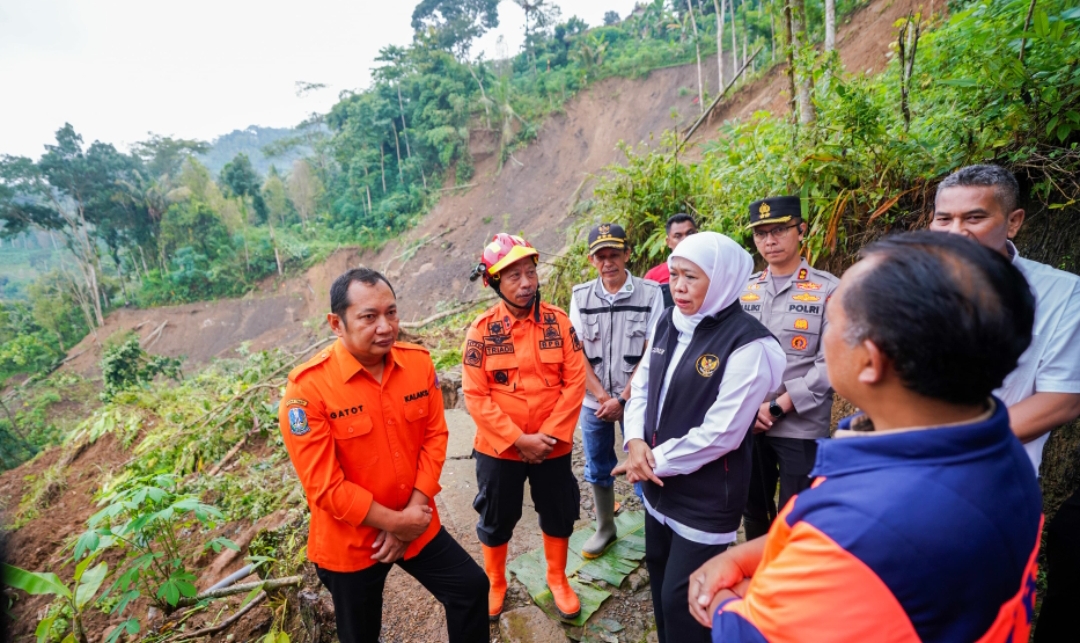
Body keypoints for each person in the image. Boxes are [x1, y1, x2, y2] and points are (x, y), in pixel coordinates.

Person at [690, 231, 1042, 642]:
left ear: (871, 360)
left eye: (834, 320)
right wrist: (748, 554)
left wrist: (721, 601)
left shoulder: (867, 526)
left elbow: (749, 633)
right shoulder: (996, 449)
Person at [279, 268, 488, 643]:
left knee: (470, 589)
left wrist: (414, 513)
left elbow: (435, 436)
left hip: (415, 518)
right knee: (360, 635)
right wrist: (395, 522)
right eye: (369, 316)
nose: (385, 326)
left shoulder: (418, 364)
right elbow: (324, 487)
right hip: (351, 542)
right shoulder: (307, 390)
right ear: (336, 323)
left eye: (391, 312)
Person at [928, 164, 1080, 641]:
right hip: (904, 477)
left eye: (974, 218)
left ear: (1012, 222)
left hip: (991, 488)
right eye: (943, 219)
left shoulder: (1059, 294)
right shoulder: (908, 282)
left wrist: (952, 442)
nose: (956, 232)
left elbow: (1061, 400)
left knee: (984, 619)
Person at [613, 232, 785, 643]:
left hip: (705, 495)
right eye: (673, 275)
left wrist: (651, 461)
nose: (678, 287)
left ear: (723, 279)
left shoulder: (749, 344)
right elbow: (643, 386)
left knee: (684, 600)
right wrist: (635, 441)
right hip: (656, 486)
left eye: (691, 277)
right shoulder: (669, 320)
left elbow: (722, 433)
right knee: (657, 568)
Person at [462, 233, 587, 621]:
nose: (526, 282)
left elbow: (575, 381)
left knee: (559, 510)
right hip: (500, 448)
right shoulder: (481, 331)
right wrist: (518, 439)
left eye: (530, 272)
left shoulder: (559, 323)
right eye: (514, 276)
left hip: (553, 445)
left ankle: (557, 579)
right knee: (496, 515)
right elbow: (476, 396)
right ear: (495, 282)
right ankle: (495, 582)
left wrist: (545, 438)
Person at [738, 196, 839, 540]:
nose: (770, 240)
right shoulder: (743, 291)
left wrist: (779, 407)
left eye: (779, 230)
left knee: (797, 518)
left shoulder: (829, 290)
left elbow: (831, 363)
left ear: (801, 230)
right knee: (753, 511)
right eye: (761, 233)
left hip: (801, 427)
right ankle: (756, 583)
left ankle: (790, 589)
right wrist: (749, 409)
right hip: (749, 425)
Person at [569, 222, 664, 558]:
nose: (608, 262)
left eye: (614, 254)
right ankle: (605, 527)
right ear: (592, 260)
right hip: (593, 400)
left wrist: (624, 398)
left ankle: (655, 527)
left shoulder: (652, 294)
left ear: (627, 254)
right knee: (597, 463)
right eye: (601, 256)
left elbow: (654, 349)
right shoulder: (580, 296)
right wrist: (603, 397)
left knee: (643, 459)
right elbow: (574, 351)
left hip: (636, 398)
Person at [644, 213, 699, 307]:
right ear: (668, 242)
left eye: (690, 233)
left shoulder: (711, 270)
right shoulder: (654, 277)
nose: (685, 240)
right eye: (678, 236)